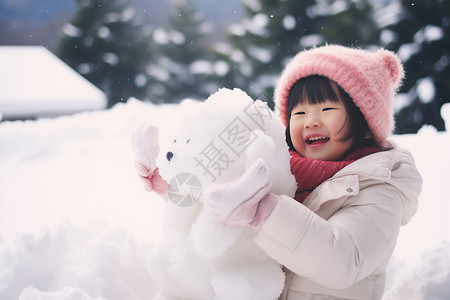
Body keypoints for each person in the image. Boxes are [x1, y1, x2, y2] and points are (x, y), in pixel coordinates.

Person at [133, 45, 422, 300]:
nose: (310, 121)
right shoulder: (284, 171)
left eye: (327, 109)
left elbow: (343, 260)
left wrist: (262, 211)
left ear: (364, 122)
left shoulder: (379, 188)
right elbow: (220, 202)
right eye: (299, 113)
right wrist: (172, 184)